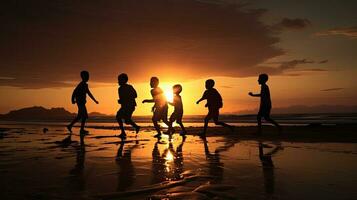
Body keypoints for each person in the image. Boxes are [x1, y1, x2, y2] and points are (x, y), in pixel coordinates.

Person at [67, 70, 98, 135]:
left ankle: (70, 126)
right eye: (86, 76)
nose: (88, 78)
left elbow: (89, 93)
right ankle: (81, 129)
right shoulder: (81, 84)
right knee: (84, 116)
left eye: (88, 76)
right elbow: (74, 91)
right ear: (82, 77)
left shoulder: (85, 85)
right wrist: (72, 99)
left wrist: (95, 100)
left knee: (80, 116)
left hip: (81, 102)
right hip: (80, 102)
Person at [116, 73, 140, 138]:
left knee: (124, 119)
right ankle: (134, 128)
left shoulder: (129, 87)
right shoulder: (120, 89)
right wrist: (120, 101)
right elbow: (122, 99)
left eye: (120, 80)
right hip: (124, 106)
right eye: (118, 80)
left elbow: (135, 95)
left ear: (124, 80)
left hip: (131, 106)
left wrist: (126, 98)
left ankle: (125, 132)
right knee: (122, 118)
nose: (118, 81)